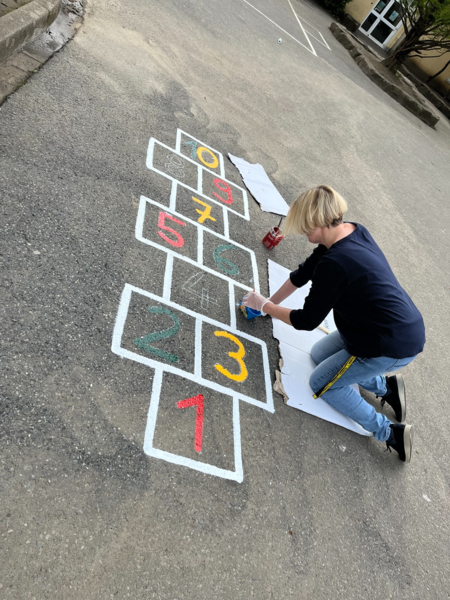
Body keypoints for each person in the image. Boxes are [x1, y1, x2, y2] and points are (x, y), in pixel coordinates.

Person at [243, 185, 425, 462]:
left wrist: (265, 307)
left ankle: (391, 433)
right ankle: (387, 388)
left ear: (320, 221)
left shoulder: (336, 263)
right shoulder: (349, 232)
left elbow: (306, 320)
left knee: (322, 383)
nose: (304, 234)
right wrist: (267, 303)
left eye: (306, 227)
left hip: (385, 344)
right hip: (378, 326)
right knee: (318, 354)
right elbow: (301, 276)